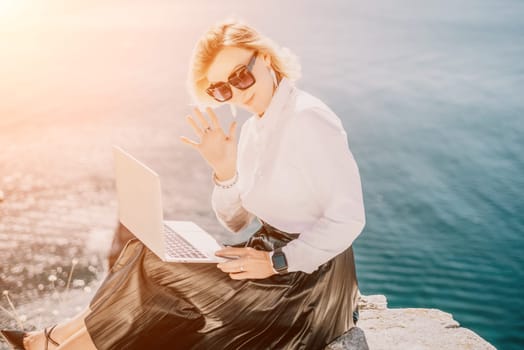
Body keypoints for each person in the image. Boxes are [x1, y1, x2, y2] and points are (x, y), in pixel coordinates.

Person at [1, 18, 366, 350]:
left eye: (241, 76)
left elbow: (348, 220)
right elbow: (236, 223)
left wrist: (277, 261)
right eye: (222, 90)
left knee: (157, 268)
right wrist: (224, 170)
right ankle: (55, 340)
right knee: (143, 250)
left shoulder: (308, 119)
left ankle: (54, 345)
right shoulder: (256, 127)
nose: (237, 94)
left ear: (266, 58)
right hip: (264, 259)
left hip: (308, 286)